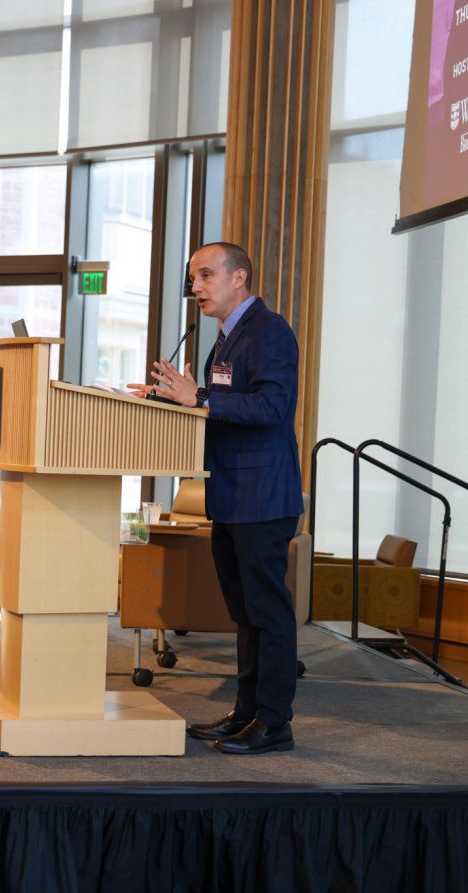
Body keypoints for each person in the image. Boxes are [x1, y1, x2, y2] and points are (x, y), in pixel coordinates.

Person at [128, 241, 303, 755]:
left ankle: (275, 724)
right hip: (229, 494)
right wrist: (169, 401)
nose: (196, 287)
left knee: (267, 614)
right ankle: (246, 713)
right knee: (245, 615)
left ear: (239, 276)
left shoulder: (269, 331)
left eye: (205, 276)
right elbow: (221, 411)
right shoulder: (225, 340)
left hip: (263, 497)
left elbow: (272, 406)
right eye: (193, 278)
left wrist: (199, 397)